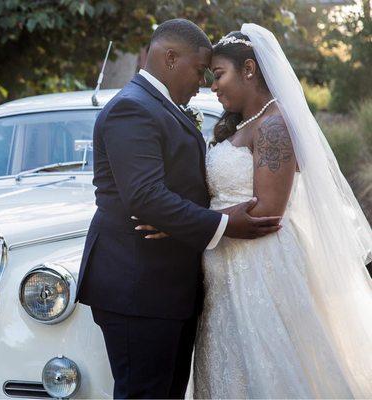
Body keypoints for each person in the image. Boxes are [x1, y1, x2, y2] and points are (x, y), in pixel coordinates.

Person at [142, 24, 372, 398]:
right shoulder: (242, 125)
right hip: (225, 269)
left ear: (249, 69)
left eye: (218, 75)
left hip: (261, 269)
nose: (211, 86)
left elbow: (267, 210)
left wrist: (181, 224)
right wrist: (181, 218)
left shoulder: (275, 125)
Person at [75, 19, 282, 399]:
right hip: (139, 288)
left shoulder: (157, 106)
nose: (204, 82)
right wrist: (220, 223)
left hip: (166, 290)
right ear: (171, 58)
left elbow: (175, 190)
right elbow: (146, 196)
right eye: (200, 70)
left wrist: (182, 225)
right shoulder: (132, 109)